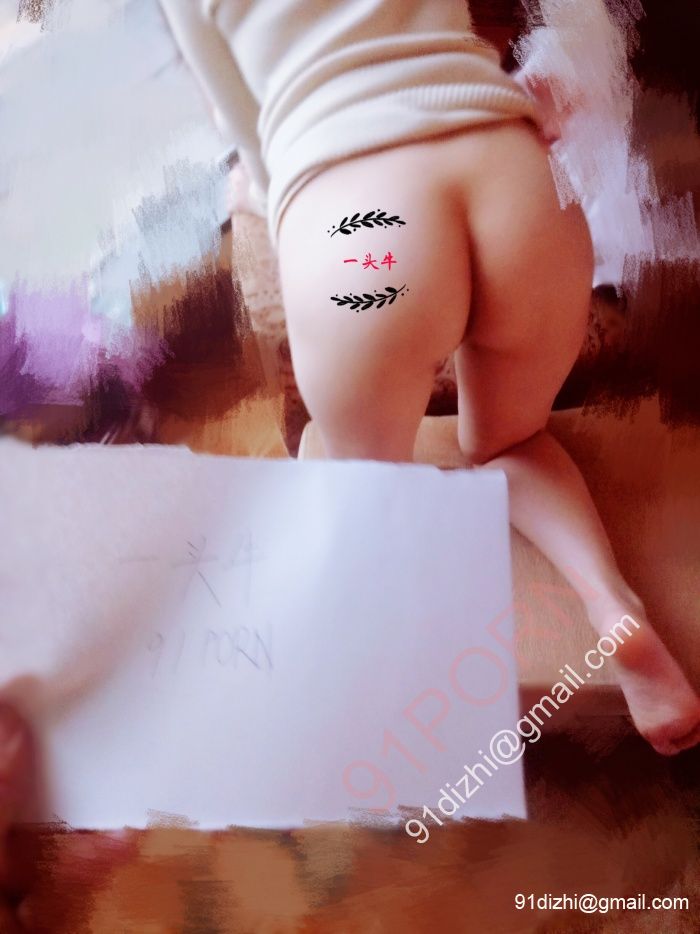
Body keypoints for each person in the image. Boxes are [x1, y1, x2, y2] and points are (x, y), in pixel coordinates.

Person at [158, 0, 700, 756]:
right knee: (512, 440)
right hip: (513, 179)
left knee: (369, 493)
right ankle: (616, 610)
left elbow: (242, 124)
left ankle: (383, 687)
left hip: (364, 231)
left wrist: (266, 191)